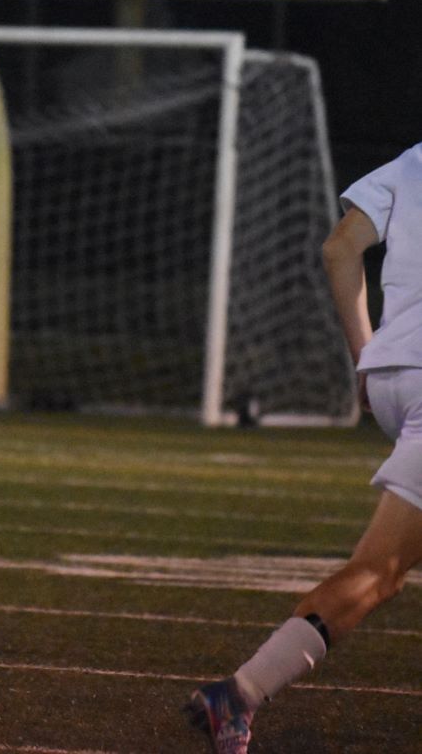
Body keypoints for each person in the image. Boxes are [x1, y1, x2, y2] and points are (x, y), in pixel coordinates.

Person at [187, 144, 422, 751]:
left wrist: (366, 357)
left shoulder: (415, 160)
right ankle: (237, 695)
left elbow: (339, 247)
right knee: (379, 571)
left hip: (396, 369)